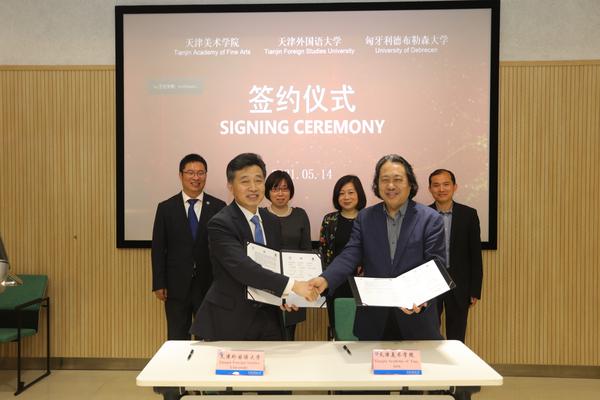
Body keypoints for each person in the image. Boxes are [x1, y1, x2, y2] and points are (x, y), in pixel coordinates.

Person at [310, 154, 445, 341]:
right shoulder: (365, 218)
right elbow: (350, 254)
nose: (390, 186)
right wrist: (325, 279)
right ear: (377, 185)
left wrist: (420, 295)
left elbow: (436, 265)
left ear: (410, 184)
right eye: (384, 180)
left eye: (397, 179)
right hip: (374, 321)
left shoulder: (430, 219)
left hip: (416, 318)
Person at [190, 153, 318, 341]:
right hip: (231, 318)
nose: (253, 187)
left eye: (258, 180)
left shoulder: (271, 221)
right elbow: (244, 268)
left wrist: (284, 297)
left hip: (270, 318)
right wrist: (293, 286)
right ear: (230, 186)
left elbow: (275, 265)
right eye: (245, 181)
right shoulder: (221, 223)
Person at [151, 153, 226, 340]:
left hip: (209, 285)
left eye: (200, 173)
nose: (196, 177)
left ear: (206, 175)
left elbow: (224, 249)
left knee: (208, 337)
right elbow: (158, 249)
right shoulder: (166, 208)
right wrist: (159, 283)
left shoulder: (218, 207)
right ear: (181, 175)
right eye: (190, 173)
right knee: (177, 337)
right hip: (176, 286)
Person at [428, 169, 483, 342]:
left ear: (454, 187)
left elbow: (475, 254)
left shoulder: (469, 215)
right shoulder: (422, 214)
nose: (441, 189)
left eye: (446, 184)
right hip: (429, 284)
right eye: (436, 185)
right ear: (430, 189)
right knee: (428, 333)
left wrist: (475, 289)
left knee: (457, 337)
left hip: (460, 284)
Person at [264, 170, 311, 340]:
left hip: (295, 285)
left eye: (284, 189)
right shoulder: (260, 215)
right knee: (267, 332)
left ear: (291, 191)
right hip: (267, 283)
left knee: (289, 335)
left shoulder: (300, 215)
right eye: (275, 189)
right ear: (268, 192)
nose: (280, 193)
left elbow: (307, 250)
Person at [318, 175, 367, 336]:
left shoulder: (368, 219)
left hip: (362, 285)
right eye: (341, 193)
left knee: (362, 329)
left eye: (351, 192)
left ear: (359, 194)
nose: (346, 197)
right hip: (335, 283)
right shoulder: (329, 220)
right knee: (339, 328)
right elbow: (323, 252)